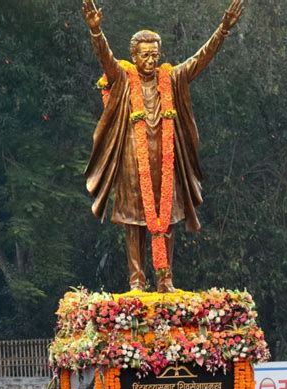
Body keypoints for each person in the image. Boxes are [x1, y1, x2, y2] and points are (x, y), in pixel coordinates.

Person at [81, 0, 243, 292]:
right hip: (133, 159)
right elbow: (105, 58)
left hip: (167, 158)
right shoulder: (124, 78)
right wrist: (96, 32)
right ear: (134, 55)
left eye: (155, 55)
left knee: (166, 218)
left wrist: (223, 29)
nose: (150, 61)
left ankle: (165, 279)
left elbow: (200, 58)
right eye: (145, 56)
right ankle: (136, 279)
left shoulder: (172, 77)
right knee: (134, 221)